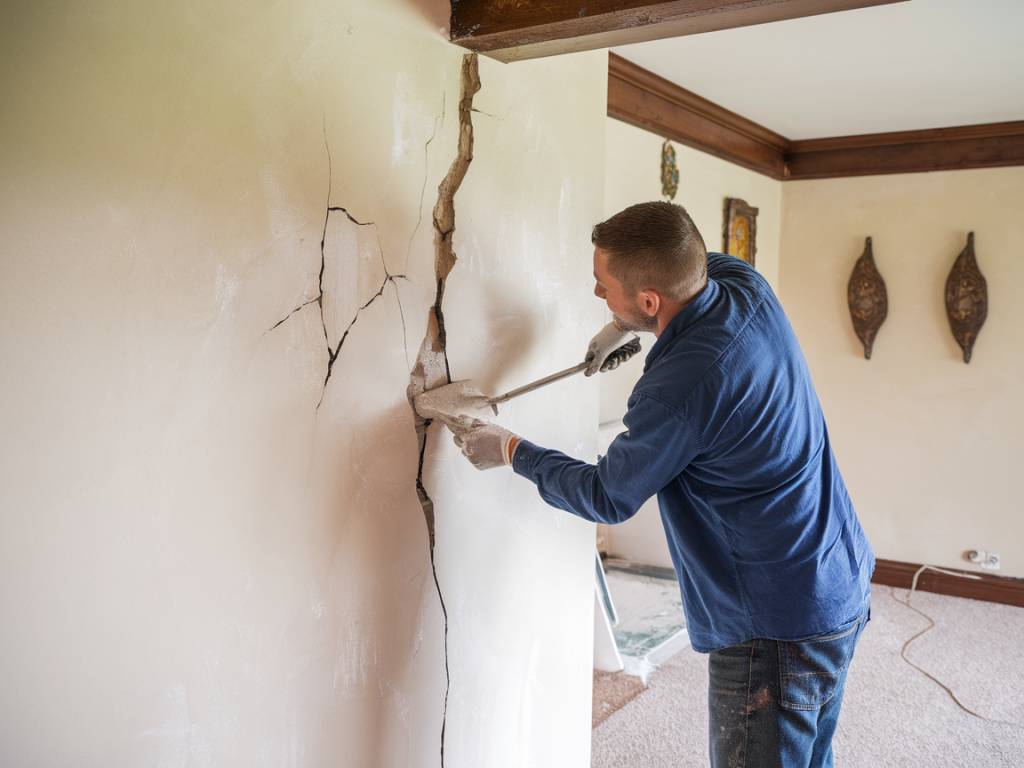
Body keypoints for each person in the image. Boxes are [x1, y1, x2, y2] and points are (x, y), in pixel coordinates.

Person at [446, 201, 875, 768]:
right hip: (836, 573)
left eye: (603, 288)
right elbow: (690, 267)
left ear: (651, 299)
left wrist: (510, 449)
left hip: (776, 625)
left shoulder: (678, 389)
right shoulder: (743, 282)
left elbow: (608, 494)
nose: (597, 293)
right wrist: (622, 325)